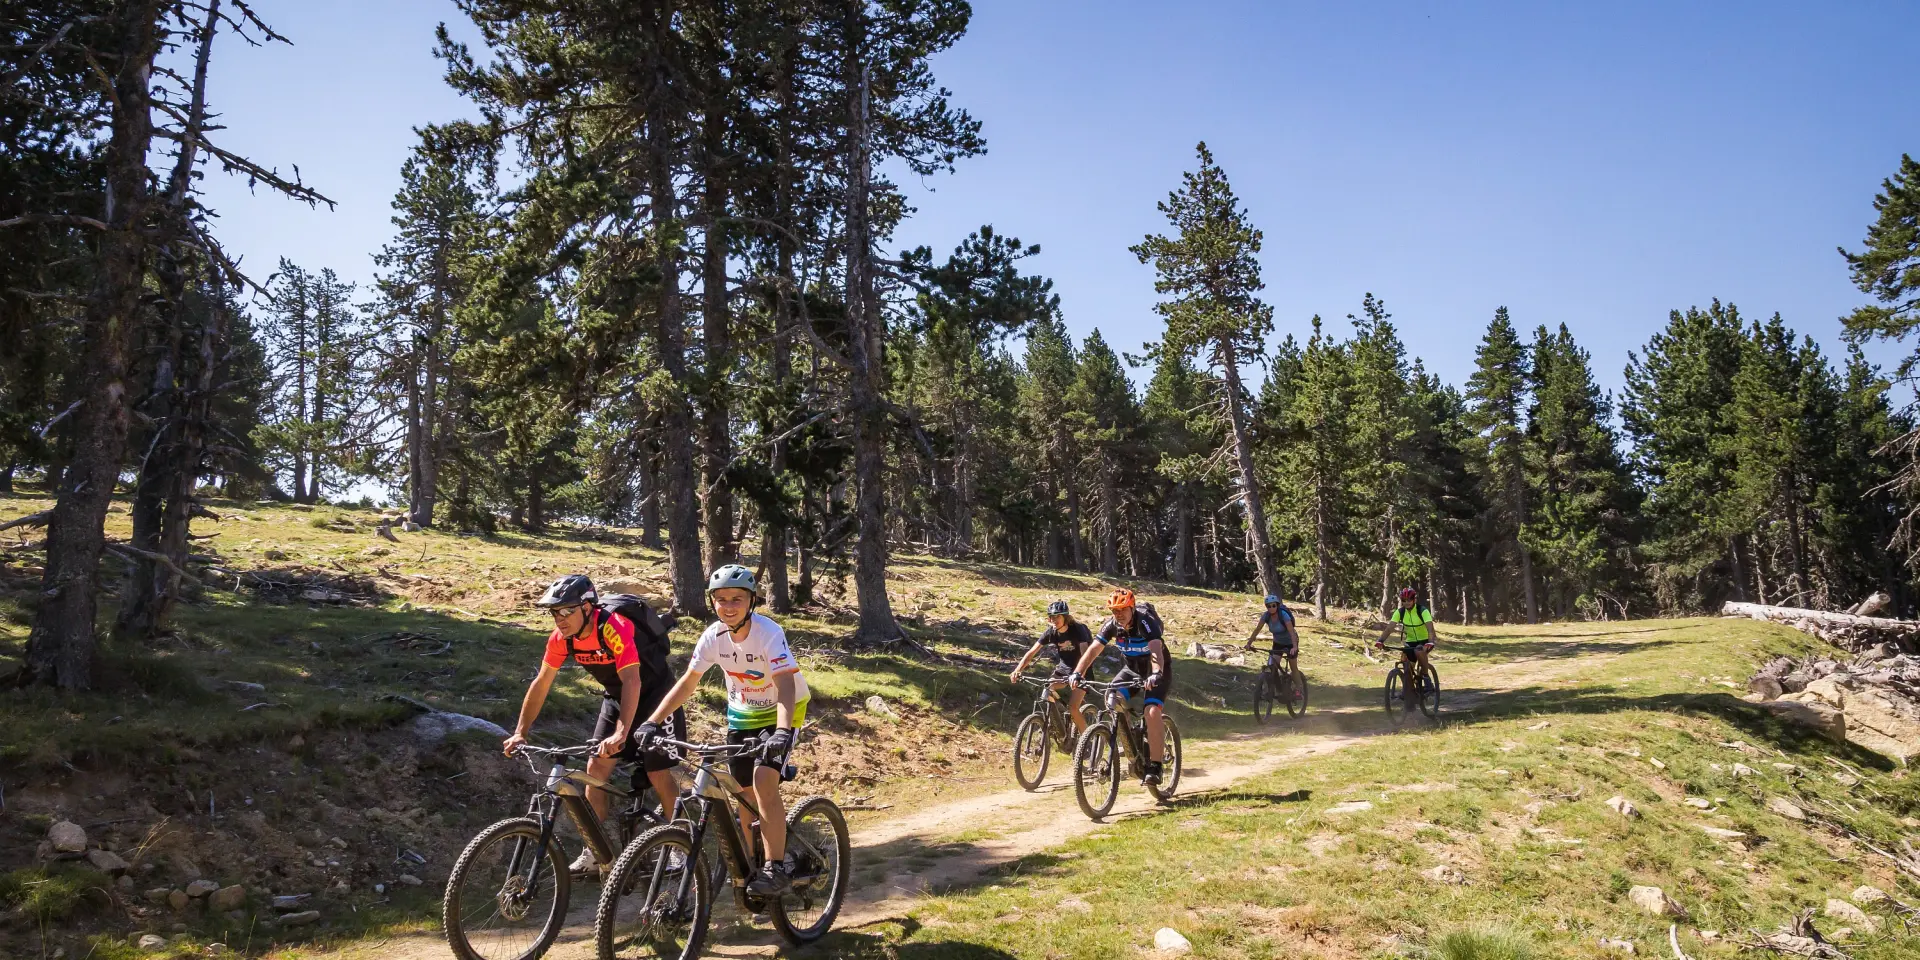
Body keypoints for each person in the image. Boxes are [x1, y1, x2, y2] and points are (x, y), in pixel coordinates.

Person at [635, 564, 810, 897]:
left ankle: (775, 867)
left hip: (782, 710)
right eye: (721, 599)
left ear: (752, 601)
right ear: (712, 602)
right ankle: (752, 865)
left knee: (763, 783)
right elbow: (688, 683)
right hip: (743, 714)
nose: (729, 606)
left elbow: (785, 684)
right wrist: (652, 720)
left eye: (737, 599)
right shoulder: (713, 636)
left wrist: (783, 732)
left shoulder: (768, 632)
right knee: (743, 796)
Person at [501, 574, 685, 880]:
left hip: (657, 696)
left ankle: (680, 841)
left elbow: (632, 679)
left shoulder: (614, 627)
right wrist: (521, 730)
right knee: (595, 768)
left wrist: (622, 733)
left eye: (567, 611)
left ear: (588, 607)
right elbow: (542, 682)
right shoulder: (562, 638)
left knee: (657, 772)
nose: (560, 619)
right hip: (617, 697)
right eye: (555, 612)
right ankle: (595, 851)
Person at [1071, 588, 1171, 785]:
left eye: (1123, 609)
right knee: (1112, 698)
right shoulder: (1112, 626)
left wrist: (1156, 673)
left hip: (1156, 670)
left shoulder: (1145, 622)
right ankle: (1132, 740)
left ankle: (1156, 767)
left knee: (1151, 711)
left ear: (1132, 607)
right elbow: (1092, 651)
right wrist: (1077, 672)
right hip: (1132, 671)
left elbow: (1156, 650)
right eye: (1114, 611)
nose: (1119, 614)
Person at [1008, 600, 1094, 736]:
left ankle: (1086, 739)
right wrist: (1018, 670)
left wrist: (1079, 674)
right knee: (1047, 689)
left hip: (1082, 670)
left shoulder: (1078, 629)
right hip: (1064, 668)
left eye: (1057, 616)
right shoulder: (1052, 632)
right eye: (1051, 617)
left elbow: (1085, 653)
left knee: (1073, 707)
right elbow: (1031, 652)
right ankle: (1058, 725)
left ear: (1065, 617)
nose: (1054, 620)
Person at [1377, 587, 1439, 696]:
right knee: (1405, 662)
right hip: (1411, 641)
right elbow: (1389, 628)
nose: (1407, 603)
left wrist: (1430, 641)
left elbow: (1430, 628)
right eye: (1404, 600)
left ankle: (1426, 677)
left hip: (1426, 640)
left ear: (1414, 600)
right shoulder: (1400, 612)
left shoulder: (1422, 610)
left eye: (1409, 600)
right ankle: (1409, 691)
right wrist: (1380, 640)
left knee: (1419, 651)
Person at [1243, 594, 1301, 681]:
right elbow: (1257, 630)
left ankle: (1299, 690)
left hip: (1290, 642)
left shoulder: (1283, 615)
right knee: (1273, 667)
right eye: (1269, 606)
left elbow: (1292, 632)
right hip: (1278, 643)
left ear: (1277, 605)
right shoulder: (1266, 616)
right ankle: (1275, 690)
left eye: (1273, 605)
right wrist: (1249, 643)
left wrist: (1294, 647)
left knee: (1293, 668)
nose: (1271, 608)